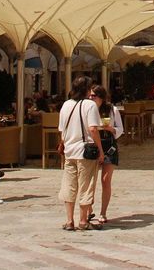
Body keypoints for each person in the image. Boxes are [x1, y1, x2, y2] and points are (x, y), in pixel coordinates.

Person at [58, 76, 104, 231]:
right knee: (86, 186)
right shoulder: (89, 105)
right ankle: (83, 220)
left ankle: (69, 220)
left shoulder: (65, 105)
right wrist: (100, 150)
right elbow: (93, 129)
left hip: (69, 151)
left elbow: (61, 130)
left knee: (69, 186)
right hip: (85, 152)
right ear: (86, 89)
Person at [90, 84, 123, 228]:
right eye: (90, 95)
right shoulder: (88, 109)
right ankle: (88, 208)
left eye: (94, 96)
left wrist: (110, 129)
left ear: (101, 98)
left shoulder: (112, 110)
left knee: (105, 179)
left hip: (109, 144)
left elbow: (120, 129)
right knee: (90, 180)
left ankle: (103, 212)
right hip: (93, 145)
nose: (91, 98)